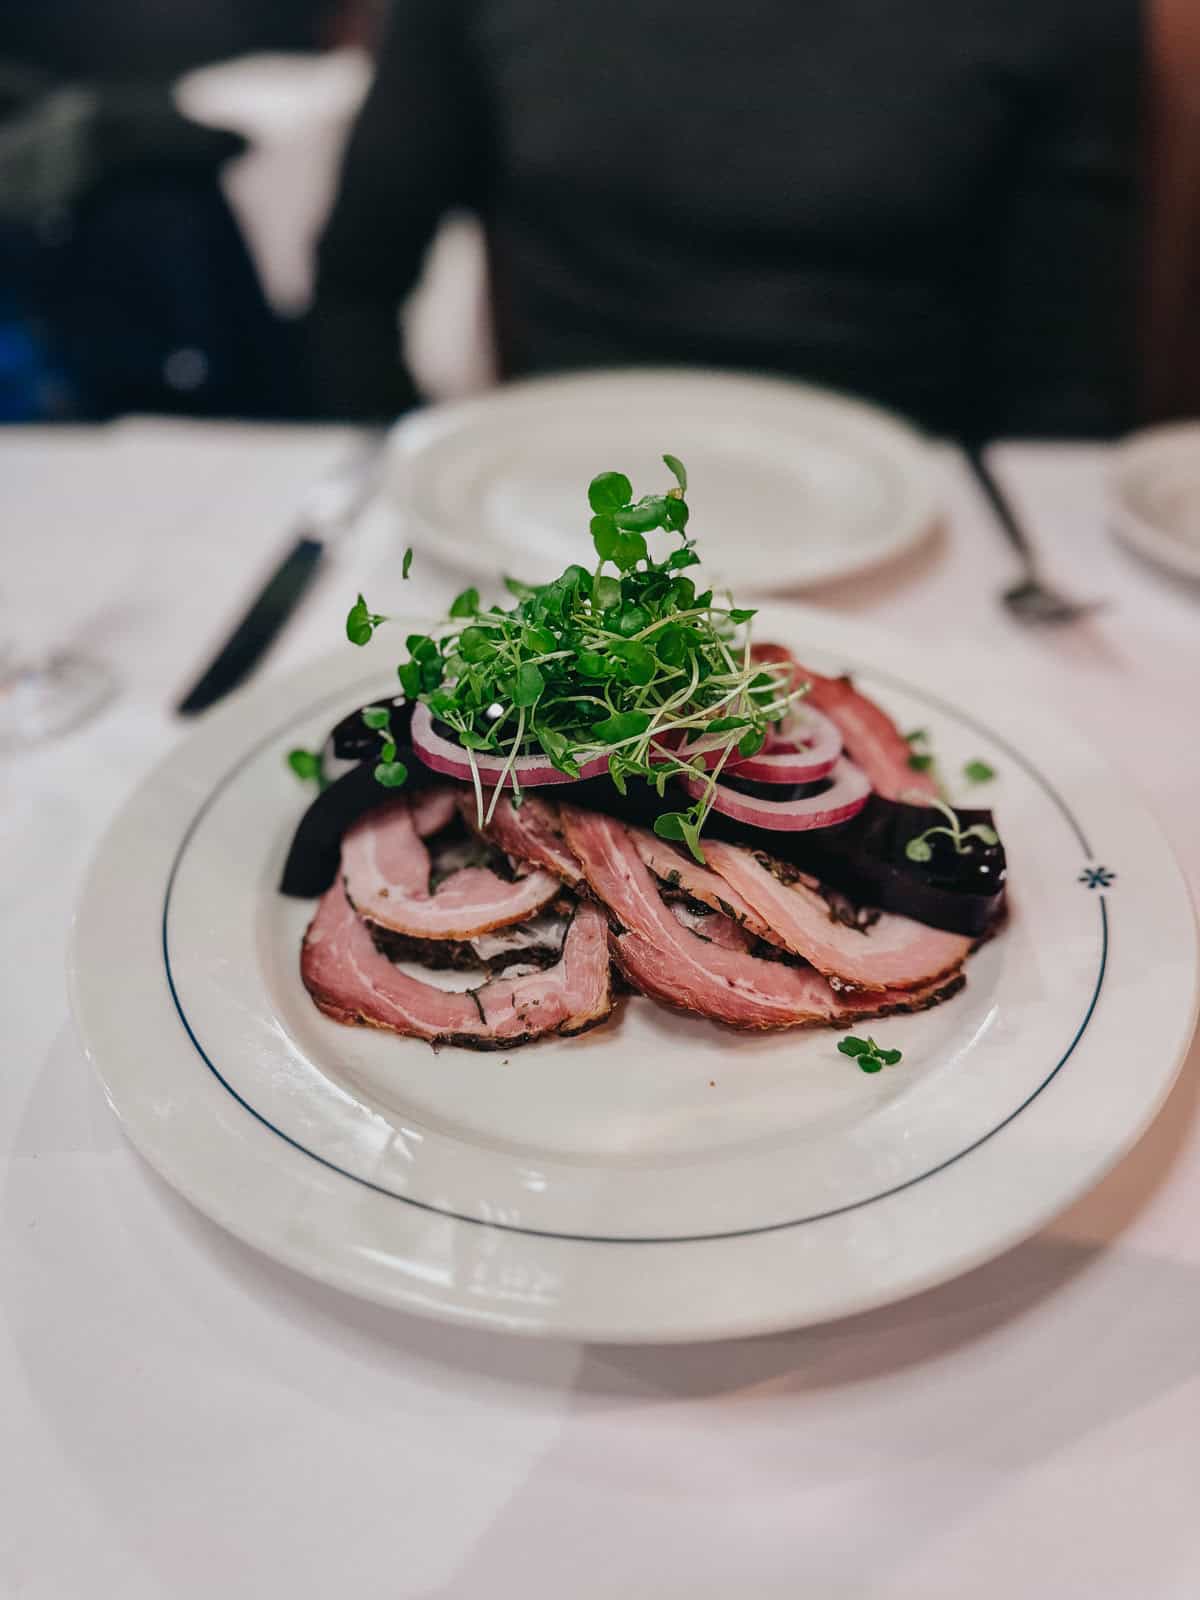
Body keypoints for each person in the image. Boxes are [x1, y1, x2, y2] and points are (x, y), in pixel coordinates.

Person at [311, 0, 1141, 440]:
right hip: (555, 498)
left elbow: (1060, 388)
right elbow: (358, 280)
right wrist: (387, 473)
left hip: (913, 511)